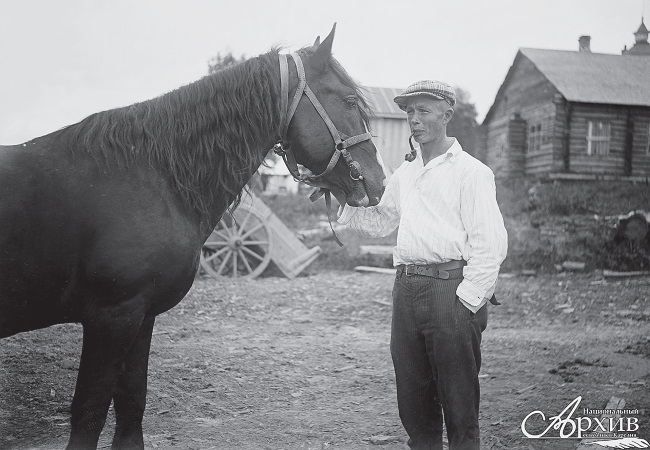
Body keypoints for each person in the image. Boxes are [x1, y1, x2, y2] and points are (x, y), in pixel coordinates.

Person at [337, 80, 508, 450]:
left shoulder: (472, 172)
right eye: (410, 112)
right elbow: (382, 221)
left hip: (451, 290)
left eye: (423, 111)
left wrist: (467, 301)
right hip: (406, 290)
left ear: (447, 116)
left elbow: (490, 244)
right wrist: (342, 194)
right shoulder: (407, 172)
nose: (414, 120)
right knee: (414, 401)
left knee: (459, 404)